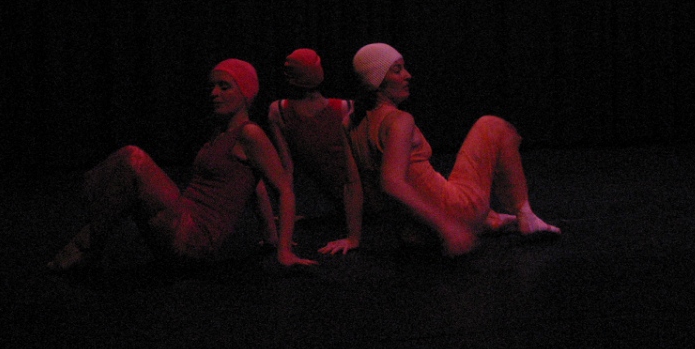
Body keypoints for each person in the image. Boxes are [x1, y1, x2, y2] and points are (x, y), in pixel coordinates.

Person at [48, 58, 317, 272]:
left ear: (245, 93)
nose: (214, 93)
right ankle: (90, 240)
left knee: (133, 158)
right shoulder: (220, 133)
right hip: (180, 225)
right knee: (126, 172)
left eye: (224, 87)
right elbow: (255, 187)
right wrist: (270, 237)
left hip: (195, 238)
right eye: (212, 87)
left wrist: (283, 251)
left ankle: (87, 243)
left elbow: (284, 189)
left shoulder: (250, 133)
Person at [345, 43, 560, 256]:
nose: (407, 75)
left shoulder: (350, 123)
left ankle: (488, 221)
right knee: (492, 126)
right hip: (446, 218)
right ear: (377, 80)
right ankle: (525, 216)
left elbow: (352, 184)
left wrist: (353, 238)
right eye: (397, 70)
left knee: (456, 191)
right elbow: (392, 184)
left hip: (413, 234)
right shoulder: (398, 121)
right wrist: (446, 227)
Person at [267, 48, 362, 256]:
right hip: (354, 202)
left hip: (352, 204)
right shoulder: (346, 107)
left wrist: (285, 215)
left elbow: (287, 170)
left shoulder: (278, 111)